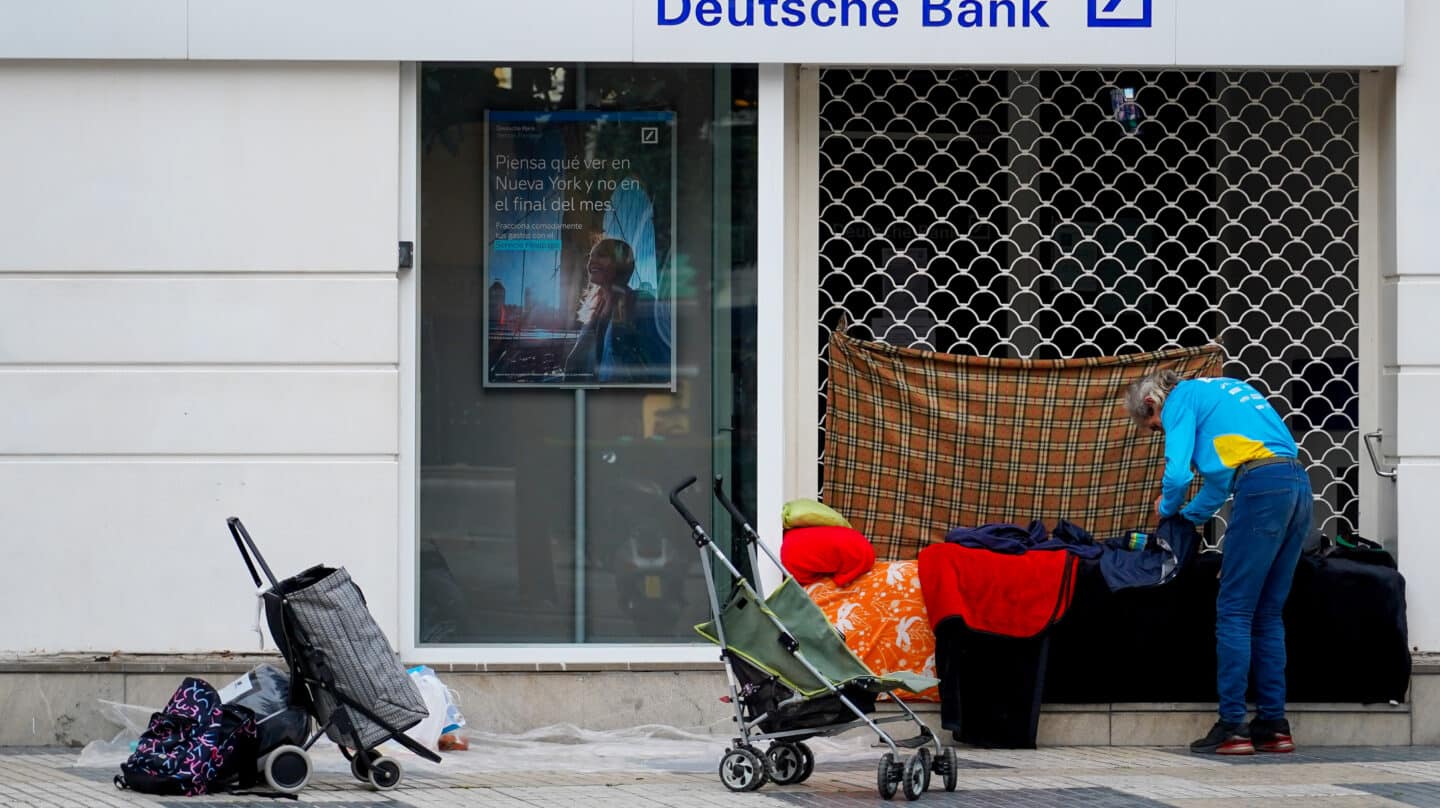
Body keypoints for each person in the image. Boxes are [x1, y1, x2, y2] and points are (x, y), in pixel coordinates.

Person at [1124, 370, 1312, 756]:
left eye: (1155, 429)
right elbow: (1218, 484)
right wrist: (1186, 520)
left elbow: (1177, 475)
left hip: (1262, 490)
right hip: (1297, 484)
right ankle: (1274, 727)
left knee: (1235, 611)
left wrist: (1167, 508)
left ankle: (1232, 727)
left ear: (1151, 403)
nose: (1162, 432)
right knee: (1268, 613)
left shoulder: (1179, 400)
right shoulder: (1223, 391)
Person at [563, 238, 668, 384]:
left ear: (621, 264)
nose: (592, 261)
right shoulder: (595, 307)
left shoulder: (641, 302)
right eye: (591, 256)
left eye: (601, 255)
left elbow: (661, 364)